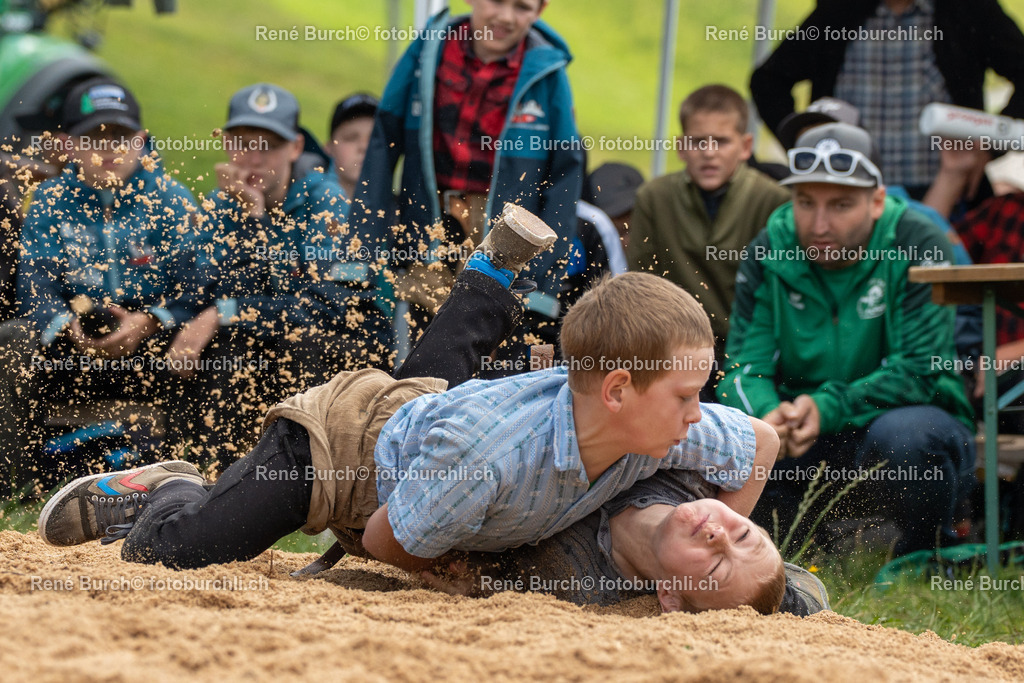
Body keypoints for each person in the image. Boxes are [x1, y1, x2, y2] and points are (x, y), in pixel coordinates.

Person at [39, 205, 782, 611]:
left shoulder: (654, 425)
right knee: (182, 552)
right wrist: (457, 560)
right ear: (618, 391)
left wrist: (716, 518)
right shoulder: (488, 455)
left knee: (437, 391)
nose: (697, 413)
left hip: (440, 419)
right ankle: (169, 489)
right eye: (688, 396)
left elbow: (758, 443)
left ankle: (489, 273)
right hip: (348, 450)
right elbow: (390, 540)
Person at [717, 122, 976, 556]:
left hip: (902, 420)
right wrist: (768, 416)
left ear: (877, 201)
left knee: (909, 436)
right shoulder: (769, 249)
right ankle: (789, 551)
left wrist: (828, 406)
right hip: (805, 426)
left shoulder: (916, 240)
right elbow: (744, 367)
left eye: (840, 205)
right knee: (727, 425)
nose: (820, 224)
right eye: (805, 202)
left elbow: (920, 370)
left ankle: (925, 552)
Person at [0, 77, 204, 490]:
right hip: (70, 348)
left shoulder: (171, 198)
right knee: (12, 338)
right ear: (68, 144)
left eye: (122, 137)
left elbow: (197, 285)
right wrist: (65, 324)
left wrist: (150, 320)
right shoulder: (51, 198)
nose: (109, 149)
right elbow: (34, 281)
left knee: (208, 343)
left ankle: (195, 476)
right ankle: (15, 483)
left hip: (150, 347)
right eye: (95, 138)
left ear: (142, 141)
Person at [173, 83, 392, 466]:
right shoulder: (221, 206)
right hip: (268, 345)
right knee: (226, 347)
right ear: (226, 145)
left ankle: (306, 481)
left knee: (290, 338)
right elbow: (202, 291)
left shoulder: (327, 202)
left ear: (294, 147)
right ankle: (213, 480)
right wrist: (248, 222)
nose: (254, 159)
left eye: (268, 146)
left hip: (347, 347)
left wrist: (222, 312)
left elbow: (319, 308)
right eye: (243, 143)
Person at [349, 0, 583, 355]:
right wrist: (363, 240)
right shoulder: (427, 51)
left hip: (509, 238)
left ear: (541, 10)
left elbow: (566, 172)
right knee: (424, 360)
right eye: (496, 1)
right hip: (431, 230)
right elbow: (384, 142)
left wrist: (544, 271)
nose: (505, 17)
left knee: (494, 359)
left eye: (522, 7)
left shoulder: (547, 70)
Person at [750, 0, 1024, 201]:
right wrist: (805, 140)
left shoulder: (968, 9)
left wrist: (989, 146)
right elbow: (768, 81)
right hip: (850, 193)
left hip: (947, 191)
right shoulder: (838, 12)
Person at [627, 85, 789, 390]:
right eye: (698, 141)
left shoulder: (774, 201)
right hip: (673, 350)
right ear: (680, 147)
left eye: (722, 141)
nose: (709, 152)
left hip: (752, 351)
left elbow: (780, 294)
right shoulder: (654, 197)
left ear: (745, 146)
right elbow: (641, 286)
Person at [325, 92, 378, 204]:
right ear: (328, 148)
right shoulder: (304, 208)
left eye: (374, 138)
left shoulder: (406, 213)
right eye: (351, 138)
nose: (364, 147)